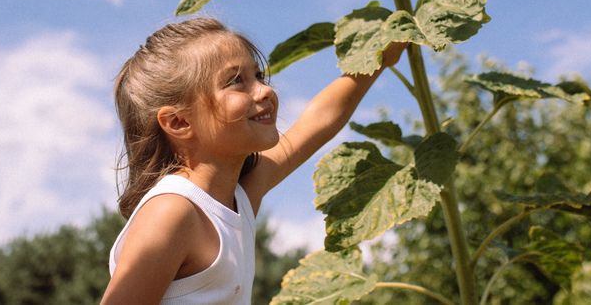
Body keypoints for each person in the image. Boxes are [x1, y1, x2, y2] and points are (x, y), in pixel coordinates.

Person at [101, 17, 403, 304]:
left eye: (257, 76)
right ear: (179, 122)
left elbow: (319, 121)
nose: (265, 90)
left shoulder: (237, 197)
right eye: (236, 81)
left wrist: (378, 58)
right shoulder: (172, 211)